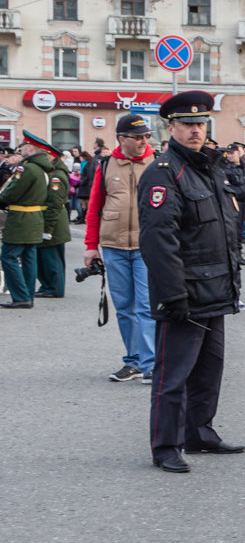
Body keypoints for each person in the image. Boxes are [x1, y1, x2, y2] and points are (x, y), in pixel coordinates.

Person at [138, 91, 245, 473]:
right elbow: (158, 240)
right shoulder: (164, 172)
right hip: (184, 293)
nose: (195, 130)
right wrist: (172, 294)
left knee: (209, 370)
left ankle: (200, 432)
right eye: (187, 124)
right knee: (173, 376)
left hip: (215, 288)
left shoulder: (209, 168)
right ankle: (166, 445)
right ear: (171, 127)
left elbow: (223, 232)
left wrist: (233, 283)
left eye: (200, 124)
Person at [83, 114, 157, 382]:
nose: (143, 141)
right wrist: (91, 246)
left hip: (146, 245)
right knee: (124, 306)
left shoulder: (158, 163)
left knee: (146, 307)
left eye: (146, 136)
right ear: (121, 139)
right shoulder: (105, 164)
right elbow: (94, 209)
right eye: (137, 137)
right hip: (114, 246)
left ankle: (151, 364)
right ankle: (133, 361)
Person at [0, 133, 51, 309]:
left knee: (8, 256)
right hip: (34, 218)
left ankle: (21, 296)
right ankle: (27, 295)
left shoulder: (27, 169)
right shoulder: (41, 168)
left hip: (21, 219)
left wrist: (2, 196)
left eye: (22, 147)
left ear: (31, 148)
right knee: (29, 258)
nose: (20, 151)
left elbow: (12, 192)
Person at [34, 144, 71, 299]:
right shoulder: (51, 172)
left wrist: (47, 229)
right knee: (43, 258)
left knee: (52, 259)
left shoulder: (57, 176)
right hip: (48, 219)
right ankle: (47, 286)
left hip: (54, 223)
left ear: (50, 156)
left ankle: (55, 288)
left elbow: (55, 204)